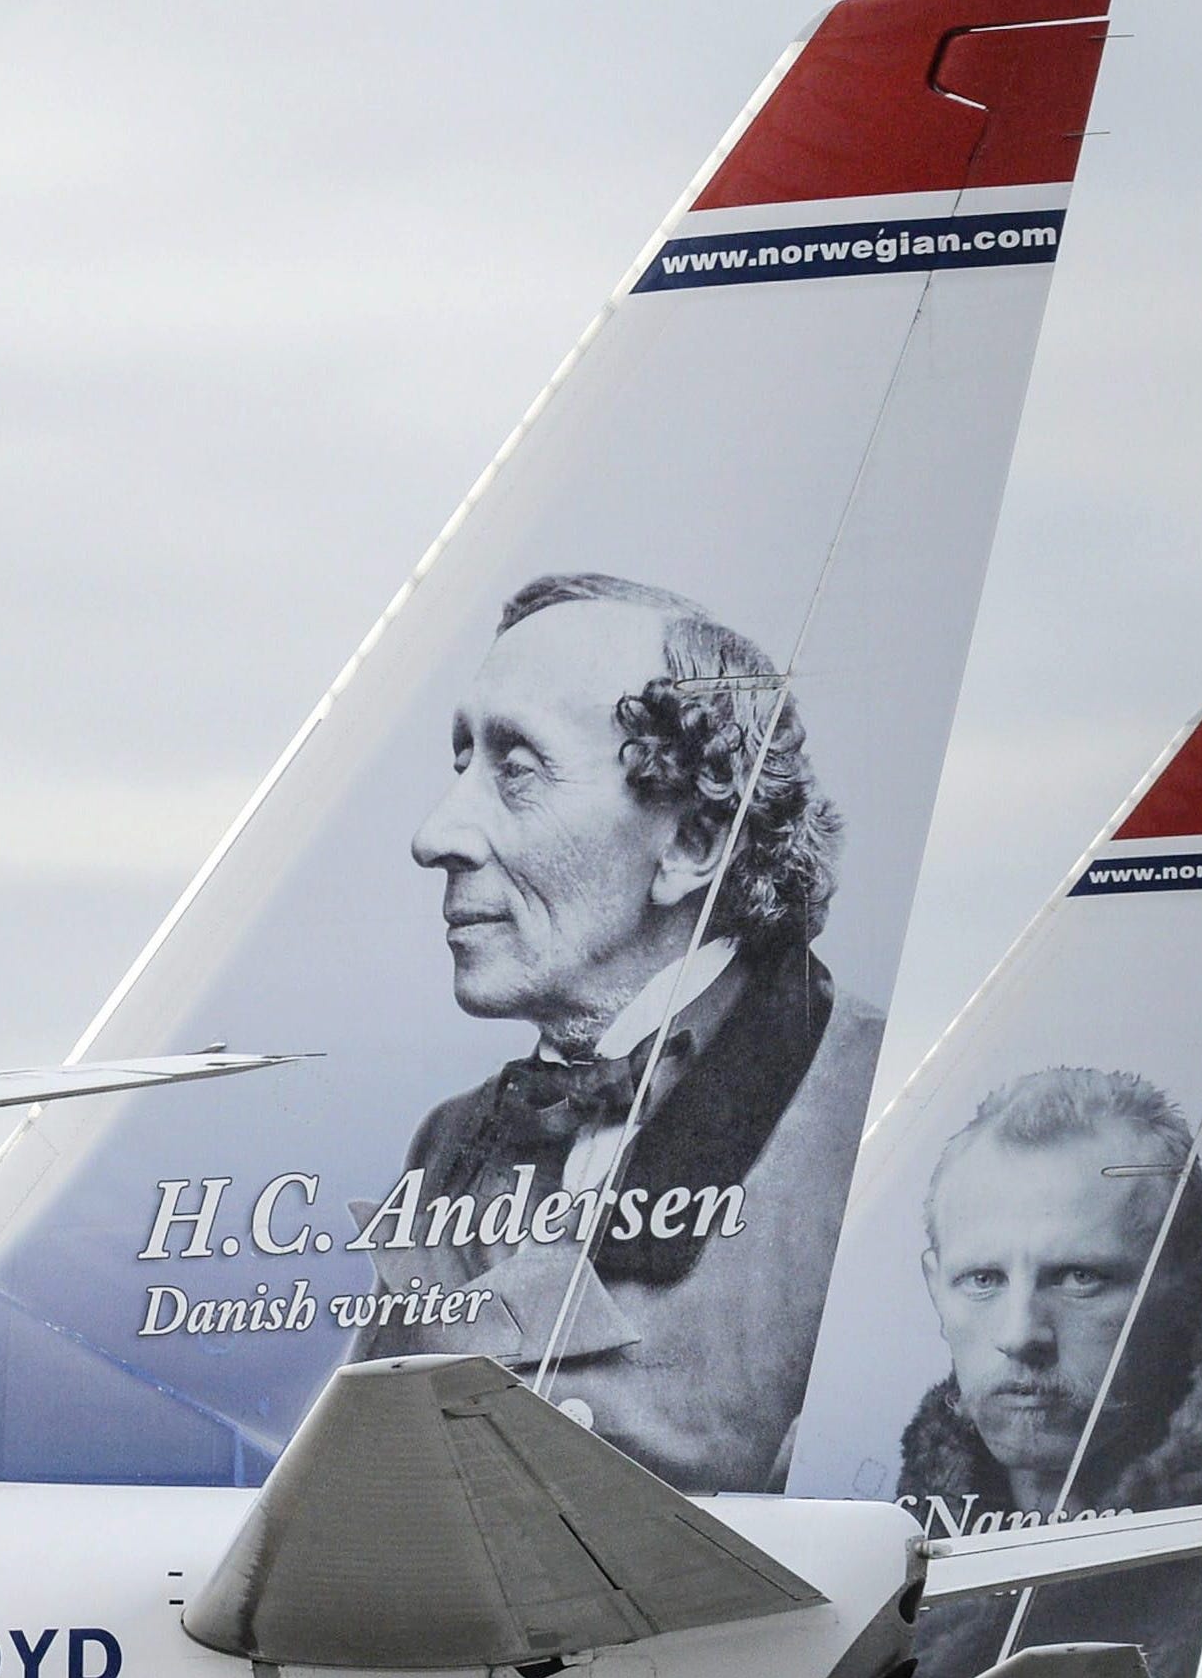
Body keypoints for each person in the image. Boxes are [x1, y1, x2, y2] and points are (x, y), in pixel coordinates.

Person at [351, 571, 880, 1492]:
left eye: (516, 770)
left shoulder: (869, 1104)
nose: (434, 836)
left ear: (690, 843)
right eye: (462, 762)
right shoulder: (449, 1142)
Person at [889, 1065, 1202, 1678]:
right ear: (935, 1287)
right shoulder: (881, 1569)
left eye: (1078, 1277)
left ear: (1199, 1286)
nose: (1019, 1335)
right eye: (982, 1279)